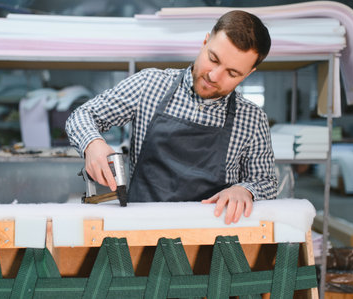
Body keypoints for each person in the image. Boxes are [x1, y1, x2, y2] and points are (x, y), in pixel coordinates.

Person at [66, 10, 277, 224]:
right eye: (213, 59)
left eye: (232, 73)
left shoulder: (252, 118)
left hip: (210, 242)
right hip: (141, 231)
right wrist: (93, 144)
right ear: (205, 42)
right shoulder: (149, 85)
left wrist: (245, 190)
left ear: (249, 73)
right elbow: (82, 115)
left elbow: (265, 181)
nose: (214, 76)